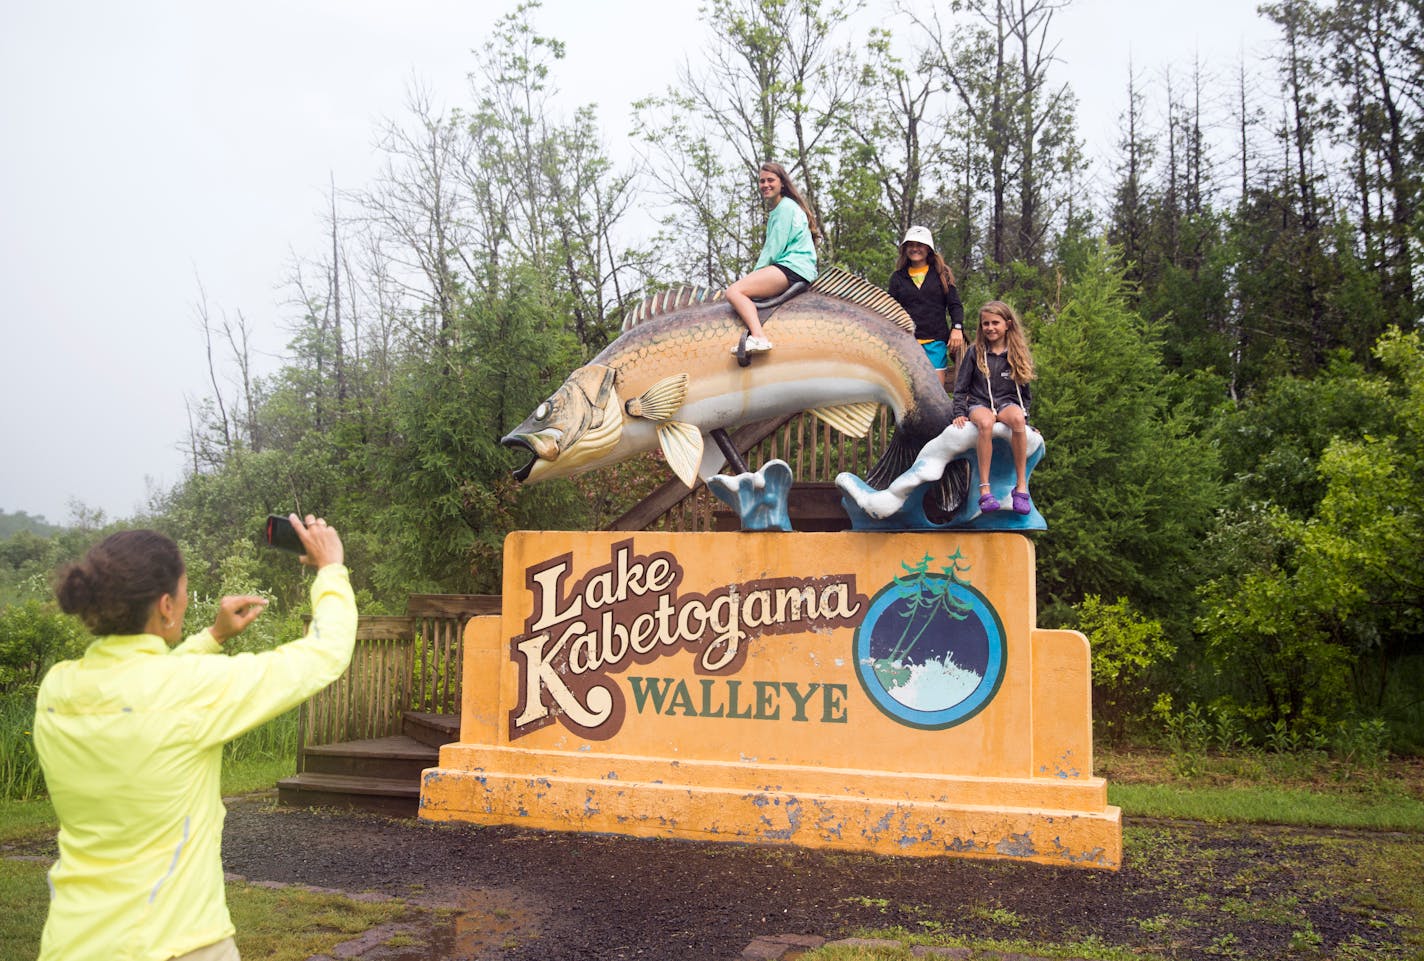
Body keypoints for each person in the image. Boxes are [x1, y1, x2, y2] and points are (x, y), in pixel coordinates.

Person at [34, 515, 356, 961]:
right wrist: (331, 569)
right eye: (184, 591)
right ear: (166, 606)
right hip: (176, 944)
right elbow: (323, 654)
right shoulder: (188, 692)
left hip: (72, 943)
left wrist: (212, 637)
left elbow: (143, 691)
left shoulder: (58, 688)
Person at [723, 161, 820, 355]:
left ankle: (758, 337)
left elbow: (773, 250)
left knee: (734, 292)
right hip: (795, 266)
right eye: (761, 181)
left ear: (782, 183)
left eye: (770, 180)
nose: (765, 185)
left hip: (792, 267)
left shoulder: (785, 208)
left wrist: (754, 275)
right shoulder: (781, 209)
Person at [952, 301, 1036, 514]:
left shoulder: (1017, 353)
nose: (990, 327)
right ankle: (985, 490)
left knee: (1017, 419)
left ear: (1007, 324)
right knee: (986, 422)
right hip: (980, 403)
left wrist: (1027, 418)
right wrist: (959, 413)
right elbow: (961, 388)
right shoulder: (975, 353)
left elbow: (1025, 392)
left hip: (1007, 402)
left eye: (995, 323)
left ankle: (1021, 487)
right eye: (986, 323)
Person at [886, 225, 965, 387]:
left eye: (919, 245)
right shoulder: (898, 277)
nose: (915, 249)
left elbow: (955, 305)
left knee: (935, 394)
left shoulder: (942, 274)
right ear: (905, 248)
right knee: (908, 393)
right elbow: (889, 309)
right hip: (907, 343)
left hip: (935, 342)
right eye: (911, 245)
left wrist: (957, 328)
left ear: (928, 249)